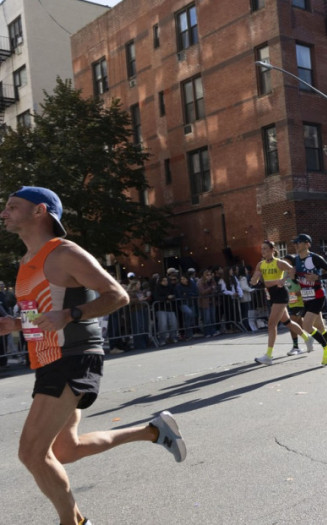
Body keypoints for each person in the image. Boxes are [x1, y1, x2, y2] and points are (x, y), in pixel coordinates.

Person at [0, 186, 185, 525]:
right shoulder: (26, 262)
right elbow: (43, 312)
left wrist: (71, 314)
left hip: (72, 357)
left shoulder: (64, 253)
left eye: (12, 206)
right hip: (48, 359)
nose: (3, 213)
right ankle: (153, 431)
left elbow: (117, 295)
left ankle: (73, 522)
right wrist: (15, 324)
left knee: (31, 453)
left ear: (39, 211)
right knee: (65, 450)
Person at [250, 240, 311, 365]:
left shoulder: (279, 262)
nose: (263, 251)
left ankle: (268, 356)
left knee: (271, 324)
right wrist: (254, 280)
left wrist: (283, 279)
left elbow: (292, 270)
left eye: (265, 248)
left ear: (272, 250)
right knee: (287, 322)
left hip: (281, 295)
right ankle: (307, 338)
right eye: (262, 249)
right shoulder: (260, 264)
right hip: (271, 295)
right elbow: (255, 280)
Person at [292, 234, 327, 365]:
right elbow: (298, 280)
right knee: (320, 327)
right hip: (306, 298)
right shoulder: (296, 260)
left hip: (317, 296)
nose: (296, 245)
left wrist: (318, 277)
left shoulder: (315, 258)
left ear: (307, 244)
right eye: (295, 243)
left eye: (298, 242)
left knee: (306, 326)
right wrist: (293, 277)